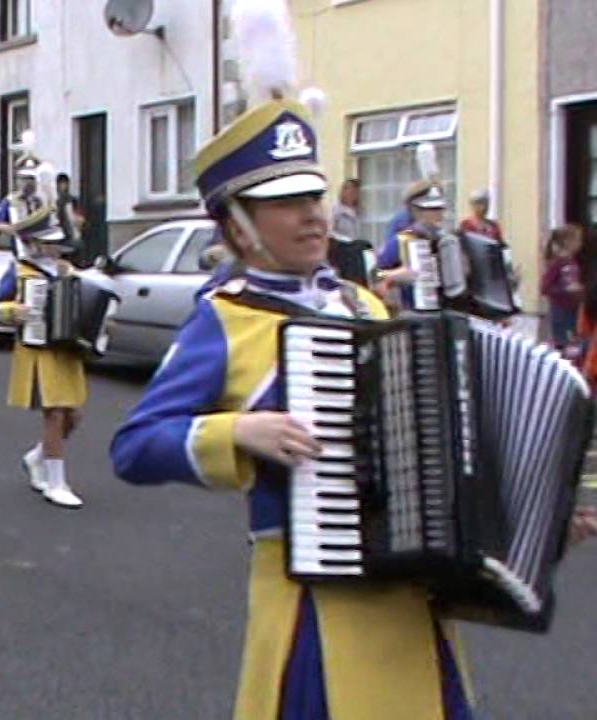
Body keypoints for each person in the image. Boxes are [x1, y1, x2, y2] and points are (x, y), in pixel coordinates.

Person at [107, 5, 533, 714]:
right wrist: (236, 433)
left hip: (412, 602)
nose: (313, 214)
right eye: (286, 201)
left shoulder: (367, 306)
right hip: (313, 606)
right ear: (237, 225)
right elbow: (133, 447)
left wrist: (526, 510)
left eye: (315, 194)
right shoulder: (226, 319)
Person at [0, 182, 88, 509]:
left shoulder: (67, 272)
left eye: (56, 244)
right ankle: (56, 481)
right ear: (31, 244)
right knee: (55, 413)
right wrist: (11, 312)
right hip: (37, 350)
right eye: (47, 244)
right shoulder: (19, 272)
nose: (55, 250)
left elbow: (88, 302)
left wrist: (99, 325)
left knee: (73, 416)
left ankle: (37, 457)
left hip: (66, 350)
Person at [375, 181, 445, 311]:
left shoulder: (443, 239)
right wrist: (393, 276)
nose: (439, 213)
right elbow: (378, 272)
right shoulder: (405, 237)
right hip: (412, 309)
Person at [543, 224, 585, 350]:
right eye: (577, 239)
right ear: (567, 241)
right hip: (560, 309)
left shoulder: (572, 262)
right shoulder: (556, 263)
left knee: (573, 342)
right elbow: (545, 288)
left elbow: (572, 282)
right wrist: (564, 290)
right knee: (562, 343)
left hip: (573, 308)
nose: (580, 243)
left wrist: (580, 290)